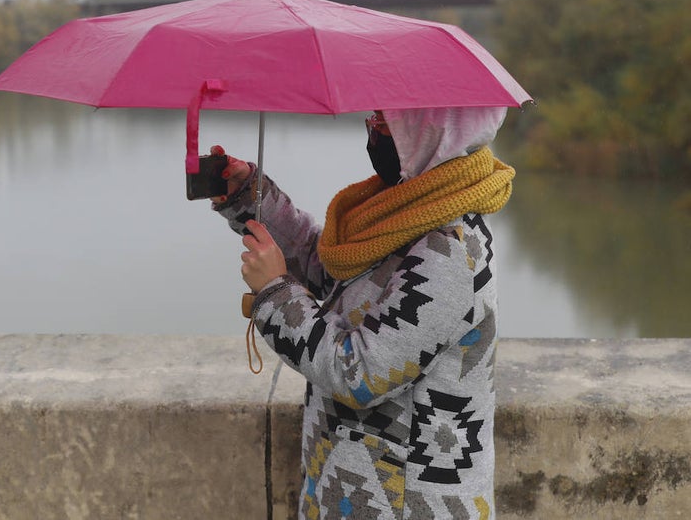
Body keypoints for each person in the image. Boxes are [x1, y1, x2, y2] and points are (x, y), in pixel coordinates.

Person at [211, 106, 515, 520]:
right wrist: (251, 196)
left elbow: (360, 374)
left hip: (409, 505)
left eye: (386, 122)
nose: (372, 131)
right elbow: (331, 272)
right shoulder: (407, 209)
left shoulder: (450, 251)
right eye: (372, 118)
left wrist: (275, 293)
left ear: (430, 132)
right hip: (357, 493)